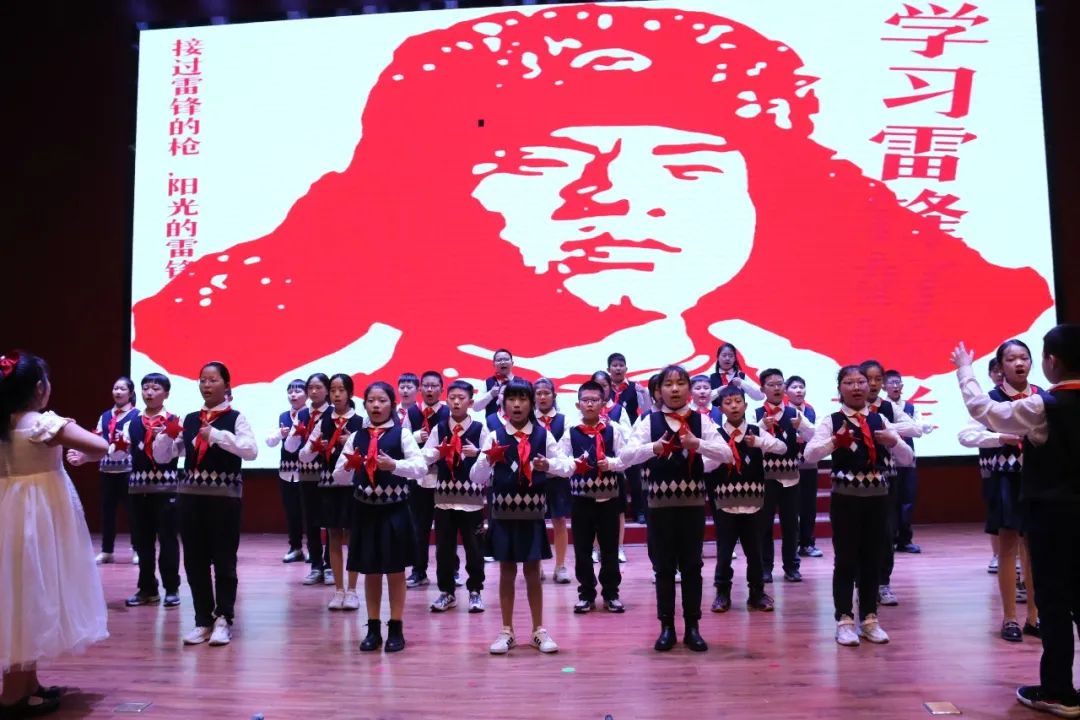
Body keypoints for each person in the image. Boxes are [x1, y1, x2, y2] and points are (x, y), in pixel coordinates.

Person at [131, 6, 1052, 401]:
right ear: (436, 198)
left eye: (687, 168)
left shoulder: (791, 382)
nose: (616, 200)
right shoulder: (356, 391)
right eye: (545, 164)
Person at [951, 327, 1080, 719]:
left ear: (1050, 361)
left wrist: (964, 369)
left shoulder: (1044, 405)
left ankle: (1059, 691)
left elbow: (983, 411)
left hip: (1054, 514)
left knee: (1054, 601)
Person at [1, 351, 110, 718]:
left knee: (18, 593)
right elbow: (100, 446)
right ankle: (12, 695)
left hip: (8, 512)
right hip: (37, 518)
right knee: (30, 593)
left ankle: (28, 683)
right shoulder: (43, 424)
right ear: (39, 388)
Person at [619, 365, 733, 652]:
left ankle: (693, 627)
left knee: (693, 566)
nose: (674, 389)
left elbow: (727, 454)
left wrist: (698, 444)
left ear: (689, 389)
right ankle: (666, 627)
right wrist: (653, 448)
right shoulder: (649, 421)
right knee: (664, 568)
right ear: (659, 391)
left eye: (680, 383)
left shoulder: (701, 421)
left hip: (692, 507)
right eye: (668, 384)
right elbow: (625, 456)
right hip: (659, 508)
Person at [804, 365, 913, 647]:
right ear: (839, 388)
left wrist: (894, 441)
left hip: (878, 500)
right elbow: (809, 455)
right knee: (846, 560)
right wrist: (833, 442)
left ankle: (869, 619)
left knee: (872, 559)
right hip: (846, 500)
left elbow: (907, 459)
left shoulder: (880, 419)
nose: (856, 387)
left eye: (861, 382)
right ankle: (844, 620)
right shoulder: (832, 420)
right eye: (849, 382)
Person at [469, 379, 573, 655]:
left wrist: (548, 464)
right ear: (503, 405)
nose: (517, 404)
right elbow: (476, 477)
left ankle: (539, 630)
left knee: (532, 573)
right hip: (503, 515)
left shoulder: (542, 436)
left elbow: (567, 467)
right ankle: (507, 631)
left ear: (531, 403)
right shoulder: (494, 435)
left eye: (522, 399)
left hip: (532, 515)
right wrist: (487, 460)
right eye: (511, 399)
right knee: (506, 572)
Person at [165, 362, 259, 647]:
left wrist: (216, 435)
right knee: (194, 561)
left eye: (213, 380)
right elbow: (168, 454)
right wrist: (166, 438)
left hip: (224, 500)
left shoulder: (236, 418)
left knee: (224, 560)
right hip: (190, 498)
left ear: (226, 385)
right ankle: (202, 620)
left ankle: (224, 619)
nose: (206, 385)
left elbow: (251, 451)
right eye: (202, 380)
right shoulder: (191, 419)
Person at [333, 382, 428, 652]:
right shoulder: (356, 437)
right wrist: (349, 466)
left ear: (392, 404)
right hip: (364, 511)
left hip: (395, 510)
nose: (376, 405)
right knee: (371, 571)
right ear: (364, 405)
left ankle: (396, 627)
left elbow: (420, 467)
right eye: (371, 400)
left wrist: (394, 465)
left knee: (396, 571)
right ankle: (373, 628)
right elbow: (339, 476)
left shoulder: (402, 434)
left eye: (382, 400)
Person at [710, 385, 788, 613]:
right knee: (724, 552)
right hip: (725, 503)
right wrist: (719, 455)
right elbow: (704, 464)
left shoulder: (756, 431)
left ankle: (757, 593)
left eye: (738, 401)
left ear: (745, 405)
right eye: (728, 403)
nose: (734, 406)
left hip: (754, 503)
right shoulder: (715, 434)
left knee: (755, 552)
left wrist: (760, 443)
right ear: (721, 409)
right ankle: (722, 593)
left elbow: (782, 448)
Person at [559, 381, 628, 614]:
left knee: (609, 549)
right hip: (581, 499)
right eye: (585, 400)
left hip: (609, 499)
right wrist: (573, 464)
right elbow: (561, 460)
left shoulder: (613, 430)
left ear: (603, 403)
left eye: (594, 400)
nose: (589, 404)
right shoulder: (571, 431)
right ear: (578, 404)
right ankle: (586, 594)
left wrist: (612, 463)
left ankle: (611, 594)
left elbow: (626, 458)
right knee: (582, 549)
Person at [299, 373, 364, 611]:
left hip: (353, 487)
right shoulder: (323, 422)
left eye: (341, 390)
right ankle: (338, 590)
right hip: (328, 486)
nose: (336, 394)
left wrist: (354, 443)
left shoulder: (360, 422)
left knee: (354, 537)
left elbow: (371, 454)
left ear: (350, 393)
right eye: (333, 390)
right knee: (333, 536)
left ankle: (353, 590)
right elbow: (303, 455)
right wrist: (316, 448)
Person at [117, 372, 183, 609]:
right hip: (137, 489)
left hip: (167, 489)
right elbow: (121, 453)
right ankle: (147, 589)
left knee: (168, 541)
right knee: (142, 542)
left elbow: (182, 452)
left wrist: (167, 439)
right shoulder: (132, 422)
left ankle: (172, 588)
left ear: (166, 394)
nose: (149, 393)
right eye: (145, 388)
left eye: (155, 388)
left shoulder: (174, 421)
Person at [421, 380, 487, 613]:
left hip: (472, 502)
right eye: (452, 398)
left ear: (471, 402)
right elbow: (424, 457)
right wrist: (436, 452)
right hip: (444, 500)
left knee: (475, 549)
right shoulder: (439, 428)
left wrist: (478, 453)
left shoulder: (480, 429)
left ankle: (475, 591)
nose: (456, 402)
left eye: (461, 398)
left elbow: (491, 459)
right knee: (444, 550)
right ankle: (447, 592)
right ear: (446, 400)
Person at [755, 368, 814, 584]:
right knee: (763, 525)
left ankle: (792, 567)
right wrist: (761, 426)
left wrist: (802, 427)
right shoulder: (755, 413)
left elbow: (815, 437)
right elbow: (744, 440)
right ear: (762, 389)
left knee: (791, 524)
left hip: (791, 477)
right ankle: (765, 568)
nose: (777, 388)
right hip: (764, 478)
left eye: (780, 384)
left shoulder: (794, 413)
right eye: (771, 385)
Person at [285, 373, 333, 586]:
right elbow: (290, 448)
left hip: (329, 475)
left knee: (330, 522)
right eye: (310, 388)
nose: (314, 392)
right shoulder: (302, 414)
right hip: (306, 475)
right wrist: (296, 434)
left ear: (327, 390)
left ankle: (330, 565)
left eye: (318, 387)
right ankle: (315, 566)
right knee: (311, 521)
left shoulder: (333, 413)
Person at [404, 371, 449, 589]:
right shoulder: (412, 412)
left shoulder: (449, 412)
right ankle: (418, 571)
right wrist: (414, 437)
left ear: (442, 389)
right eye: (426, 386)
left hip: (443, 478)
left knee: (446, 529)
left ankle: (451, 571)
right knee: (418, 527)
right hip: (418, 479)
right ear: (420, 389)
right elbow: (402, 442)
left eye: (434, 386)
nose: (430, 390)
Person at [883, 369, 934, 554]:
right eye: (892, 383)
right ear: (884, 386)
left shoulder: (910, 407)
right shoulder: (882, 407)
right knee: (889, 502)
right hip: (887, 461)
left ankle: (905, 540)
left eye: (898, 382)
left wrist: (915, 426)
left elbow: (922, 427)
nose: (896, 386)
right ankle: (888, 539)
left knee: (907, 500)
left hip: (907, 461)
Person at [90, 376, 139, 565]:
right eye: (115, 388)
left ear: (130, 393)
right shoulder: (105, 416)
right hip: (106, 471)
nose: (118, 392)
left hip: (129, 472)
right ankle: (107, 551)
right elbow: (97, 440)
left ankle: (137, 549)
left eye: (122, 389)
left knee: (133, 513)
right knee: (107, 513)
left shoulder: (137, 416)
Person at [265, 378, 308, 564]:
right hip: (286, 471)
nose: (293, 395)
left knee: (308, 512)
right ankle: (295, 547)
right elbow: (270, 441)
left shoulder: (310, 414)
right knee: (292, 512)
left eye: (298, 391)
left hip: (307, 471)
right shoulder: (283, 416)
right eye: (290, 392)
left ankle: (313, 549)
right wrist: (279, 434)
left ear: (307, 394)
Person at [534, 377, 570, 583]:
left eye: (546, 393)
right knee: (535, 521)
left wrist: (552, 464)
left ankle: (561, 566)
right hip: (534, 478)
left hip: (557, 478)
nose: (542, 397)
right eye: (538, 393)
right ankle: (536, 565)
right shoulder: (528, 421)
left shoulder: (564, 421)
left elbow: (565, 450)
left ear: (554, 396)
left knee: (559, 520)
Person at [785, 375, 822, 559]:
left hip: (809, 464)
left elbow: (818, 435)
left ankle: (807, 543)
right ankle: (792, 545)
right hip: (789, 466)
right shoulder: (783, 411)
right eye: (794, 387)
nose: (799, 390)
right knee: (791, 507)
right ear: (786, 391)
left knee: (809, 506)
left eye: (801, 386)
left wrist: (805, 432)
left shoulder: (812, 411)